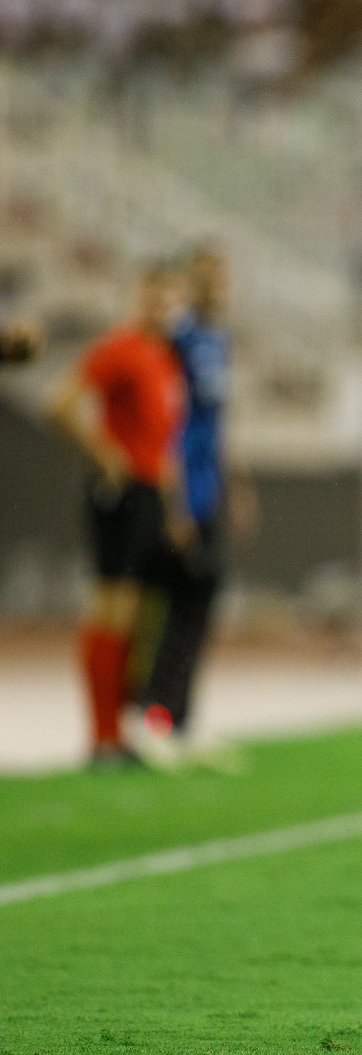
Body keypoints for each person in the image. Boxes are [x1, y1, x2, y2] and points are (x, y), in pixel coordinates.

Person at [49, 263, 189, 768]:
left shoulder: (165, 360)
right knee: (110, 608)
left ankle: (118, 733)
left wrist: (175, 509)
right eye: (154, 298)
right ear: (138, 298)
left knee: (136, 615)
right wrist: (105, 454)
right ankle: (102, 737)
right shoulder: (121, 348)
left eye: (170, 301)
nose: (163, 309)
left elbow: (166, 444)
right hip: (122, 492)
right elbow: (61, 402)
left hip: (150, 495)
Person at [138, 246, 256, 755]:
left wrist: (235, 482)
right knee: (169, 603)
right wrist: (175, 501)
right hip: (178, 489)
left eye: (220, 277)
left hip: (208, 490)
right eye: (204, 277)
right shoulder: (177, 341)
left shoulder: (218, 340)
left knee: (201, 603)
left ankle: (181, 717)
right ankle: (153, 714)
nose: (214, 287)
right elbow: (169, 423)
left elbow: (216, 424)